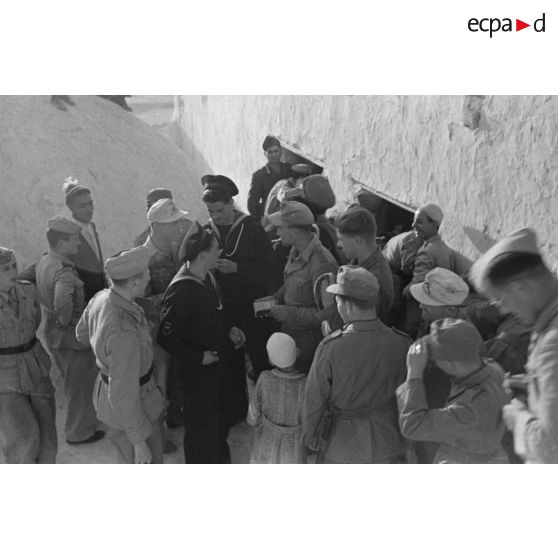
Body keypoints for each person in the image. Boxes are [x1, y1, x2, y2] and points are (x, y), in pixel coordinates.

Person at [303, 266, 411, 463]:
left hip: (343, 448)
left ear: (346, 304)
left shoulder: (330, 348)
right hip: (390, 443)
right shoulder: (403, 342)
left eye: (337, 300)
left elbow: (314, 402)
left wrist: (310, 439)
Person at [158, 222, 246, 463]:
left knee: (217, 427)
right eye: (217, 249)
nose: (221, 253)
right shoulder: (181, 291)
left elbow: (216, 311)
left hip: (216, 371)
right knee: (200, 433)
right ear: (204, 256)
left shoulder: (207, 277)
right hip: (196, 376)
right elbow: (165, 336)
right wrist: (198, 357)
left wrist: (230, 328)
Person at [470, 227, 558, 464]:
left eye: (500, 299)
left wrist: (518, 419)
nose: (502, 309)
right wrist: (533, 384)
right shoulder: (547, 324)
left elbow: (551, 448)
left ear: (520, 287)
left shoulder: (552, 342)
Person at [76, 247, 167, 464]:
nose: (149, 277)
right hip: (135, 405)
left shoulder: (101, 297)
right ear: (134, 282)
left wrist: (103, 352)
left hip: (111, 397)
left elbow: (81, 334)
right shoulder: (124, 332)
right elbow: (123, 393)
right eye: (146, 273)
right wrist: (139, 442)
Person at [202, 175, 275, 425]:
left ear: (230, 204)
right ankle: (236, 411)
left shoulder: (251, 228)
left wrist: (238, 268)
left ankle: (268, 411)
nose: (215, 216)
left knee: (260, 359)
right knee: (230, 363)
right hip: (225, 310)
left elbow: (270, 269)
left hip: (253, 308)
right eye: (210, 211)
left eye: (219, 210)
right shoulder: (206, 232)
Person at [397, 318, 509, 464]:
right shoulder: (493, 370)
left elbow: (413, 426)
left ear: (450, 363)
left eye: (434, 359)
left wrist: (414, 374)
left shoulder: (469, 409)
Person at [35, 217, 103, 445]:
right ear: (61, 242)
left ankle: (85, 425)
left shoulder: (46, 260)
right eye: (73, 240)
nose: (78, 244)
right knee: (79, 386)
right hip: (69, 337)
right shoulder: (64, 271)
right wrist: (69, 322)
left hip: (55, 335)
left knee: (75, 383)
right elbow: (62, 303)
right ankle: (77, 432)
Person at [0, 247, 57, 464]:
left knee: (48, 435)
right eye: (5, 268)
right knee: (22, 441)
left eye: (14, 265)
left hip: (36, 367)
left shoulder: (28, 290)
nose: (13, 272)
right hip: (6, 378)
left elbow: (35, 323)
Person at [268, 201, 339, 372]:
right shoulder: (295, 251)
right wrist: (276, 298)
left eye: (280, 228)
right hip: (293, 337)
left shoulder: (323, 264)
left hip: (310, 348)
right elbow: (292, 282)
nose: (277, 232)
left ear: (294, 231)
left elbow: (328, 314)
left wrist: (289, 313)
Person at [248, 332, 307, 464]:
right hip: (294, 447)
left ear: (271, 360)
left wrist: (253, 421)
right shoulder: (306, 384)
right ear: (297, 353)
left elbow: (253, 414)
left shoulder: (264, 378)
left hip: (266, 441)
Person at [403, 203, 456, 338]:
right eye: (414, 221)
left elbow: (418, 284)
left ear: (434, 225)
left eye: (419, 222)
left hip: (423, 312)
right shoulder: (445, 250)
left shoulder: (427, 251)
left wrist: (404, 292)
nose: (413, 225)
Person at [334, 206, 394, 321]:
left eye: (341, 239)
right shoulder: (358, 261)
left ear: (357, 240)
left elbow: (358, 323)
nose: (338, 245)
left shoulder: (373, 278)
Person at [63, 177, 107, 302]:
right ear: (71, 207)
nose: (89, 209)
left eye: (90, 204)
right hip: (84, 300)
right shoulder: (68, 234)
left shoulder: (92, 226)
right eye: (83, 206)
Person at [247, 135, 291, 220]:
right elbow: (252, 204)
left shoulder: (288, 169)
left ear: (281, 151)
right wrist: (262, 219)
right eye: (270, 152)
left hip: (289, 214)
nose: (273, 155)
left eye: (276, 151)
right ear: (265, 154)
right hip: (270, 218)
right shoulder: (259, 176)